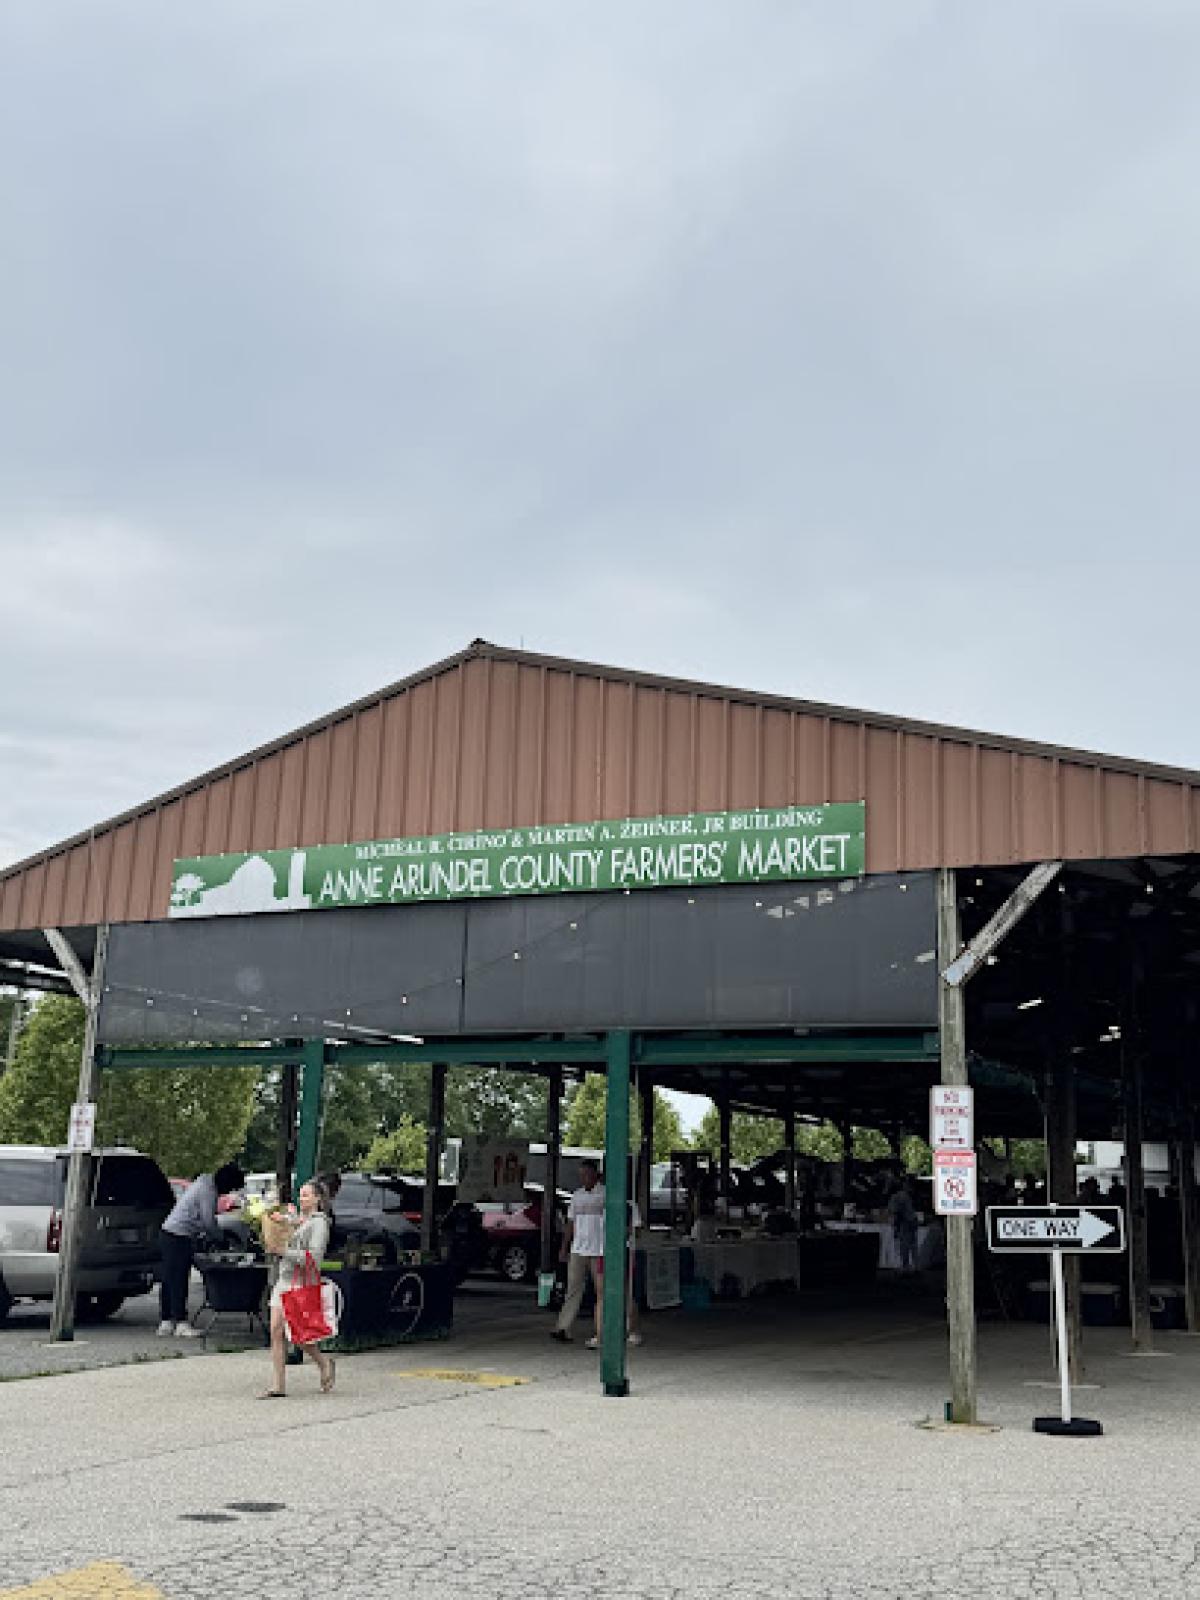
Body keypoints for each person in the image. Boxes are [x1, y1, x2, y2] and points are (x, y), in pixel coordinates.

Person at [551, 1160, 641, 1349]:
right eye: (581, 1175)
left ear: (596, 1175)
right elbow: (570, 1223)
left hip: (600, 1249)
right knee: (573, 1288)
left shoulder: (608, 1195)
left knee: (606, 1292)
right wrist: (564, 1247)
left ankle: (612, 1330)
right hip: (579, 1248)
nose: (583, 1179)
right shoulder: (576, 1196)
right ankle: (563, 1326)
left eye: (586, 1174)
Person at [260, 1179, 336, 1398]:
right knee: (276, 1329)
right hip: (284, 1280)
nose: (301, 1199)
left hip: (300, 1281)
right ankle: (278, 1385)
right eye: (300, 1195)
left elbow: (314, 1259)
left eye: (306, 1195)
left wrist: (284, 1251)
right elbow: (287, 1225)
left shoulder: (319, 1224)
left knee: (298, 1334)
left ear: (318, 1199)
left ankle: (323, 1362)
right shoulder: (299, 1220)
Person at [158, 1161, 245, 1337]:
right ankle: (180, 1322)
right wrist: (221, 1239)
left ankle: (167, 1321)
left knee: (169, 1277)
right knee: (179, 1278)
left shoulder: (202, 1182)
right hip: (179, 1235)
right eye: (230, 1188)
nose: (228, 1193)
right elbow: (208, 1221)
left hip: (169, 1232)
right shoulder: (208, 1190)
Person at [887, 1178, 919, 1274]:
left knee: (904, 1245)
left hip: (905, 1222)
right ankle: (915, 1266)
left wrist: (896, 1227)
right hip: (912, 1221)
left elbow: (896, 1212)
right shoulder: (906, 1195)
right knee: (912, 1245)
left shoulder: (896, 1197)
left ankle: (906, 1267)